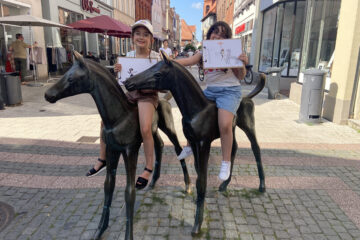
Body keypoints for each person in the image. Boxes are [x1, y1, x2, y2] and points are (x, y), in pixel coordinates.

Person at [86, 20, 160, 191]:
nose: (141, 37)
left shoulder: (156, 57)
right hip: (131, 94)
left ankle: (149, 167)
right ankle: (102, 158)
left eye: (145, 34)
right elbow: (123, 81)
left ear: (151, 39)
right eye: (138, 34)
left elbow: (162, 82)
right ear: (133, 37)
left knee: (145, 128)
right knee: (105, 121)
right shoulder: (128, 55)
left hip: (147, 96)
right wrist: (118, 71)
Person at [175, 21, 248, 180]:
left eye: (223, 35)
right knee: (190, 112)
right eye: (215, 32)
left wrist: (242, 64)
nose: (217, 36)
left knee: (225, 124)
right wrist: (168, 62)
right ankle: (188, 146)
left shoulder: (232, 51)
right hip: (210, 90)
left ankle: (226, 162)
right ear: (209, 35)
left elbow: (241, 77)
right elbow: (187, 61)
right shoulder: (203, 52)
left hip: (229, 91)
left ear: (227, 39)